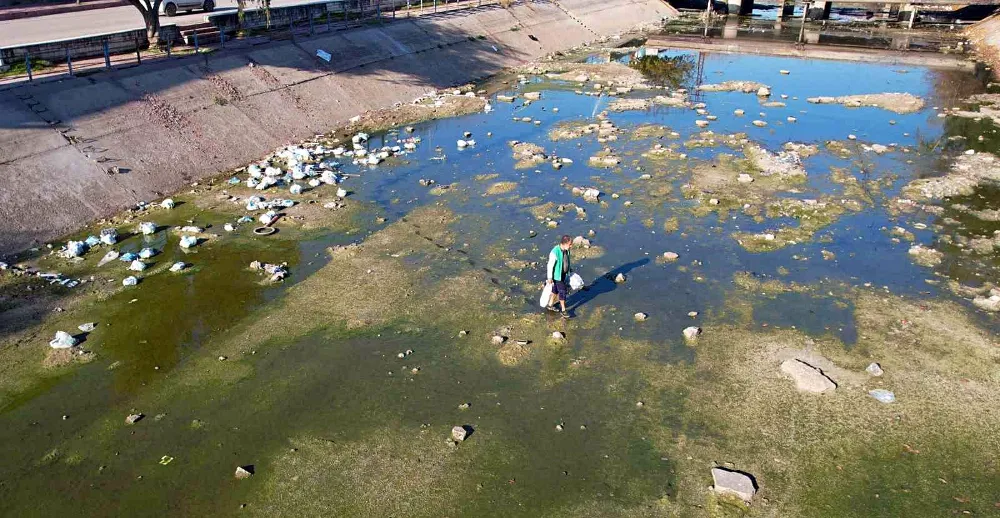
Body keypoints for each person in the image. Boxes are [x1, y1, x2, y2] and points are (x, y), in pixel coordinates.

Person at [545, 235, 573, 318]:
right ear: (564, 243)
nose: (571, 246)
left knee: (555, 290)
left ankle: (550, 305)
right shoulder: (555, 252)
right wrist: (549, 277)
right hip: (557, 276)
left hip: (563, 274)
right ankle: (563, 310)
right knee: (562, 291)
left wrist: (569, 269)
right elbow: (550, 265)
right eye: (570, 244)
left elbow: (566, 261)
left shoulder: (566, 250)